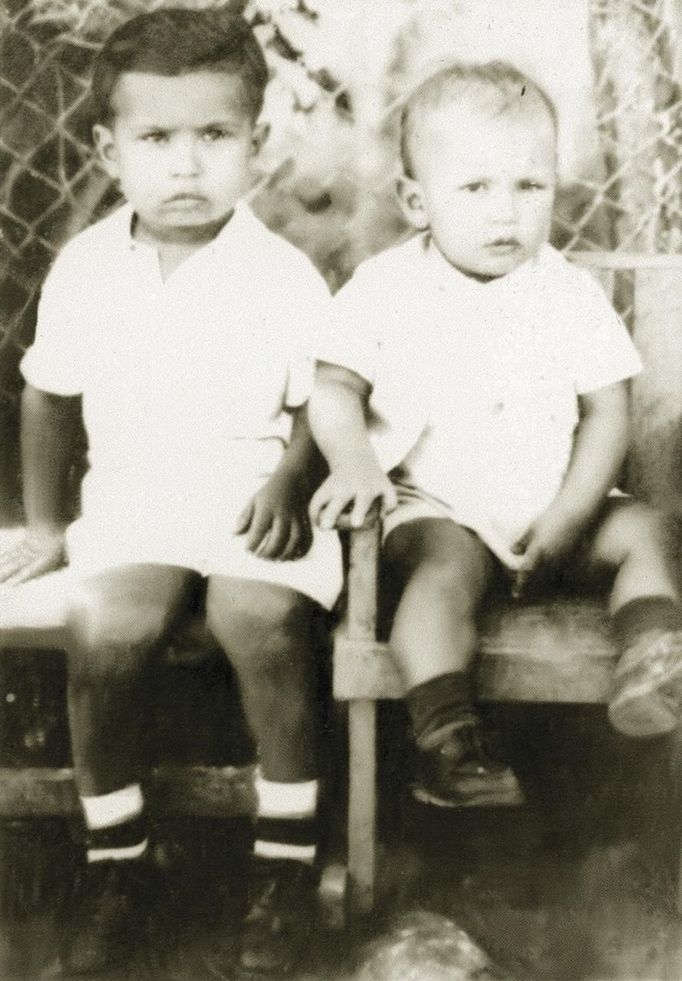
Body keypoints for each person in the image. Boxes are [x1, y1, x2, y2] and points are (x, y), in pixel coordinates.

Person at [0, 9, 342, 976]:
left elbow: (327, 397)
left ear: (256, 144)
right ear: (110, 148)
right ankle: (121, 863)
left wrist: (289, 475)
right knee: (107, 630)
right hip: (140, 499)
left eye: (214, 137)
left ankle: (282, 866)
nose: (186, 167)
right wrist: (49, 522)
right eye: (157, 139)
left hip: (251, 495)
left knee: (258, 619)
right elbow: (47, 394)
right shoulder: (86, 269)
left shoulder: (281, 275)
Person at [308, 61, 682, 810]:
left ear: (553, 188)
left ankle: (653, 653)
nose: (505, 214)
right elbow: (333, 387)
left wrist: (571, 516)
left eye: (528, 186)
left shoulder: (566, 292)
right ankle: (450, 739)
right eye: (476, 189)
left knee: (647, 527)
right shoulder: (386, 287)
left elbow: (607, 411)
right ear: (417, 200)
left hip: (556, 506)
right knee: (441, 570)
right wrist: (353, 463)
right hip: (439, 509)